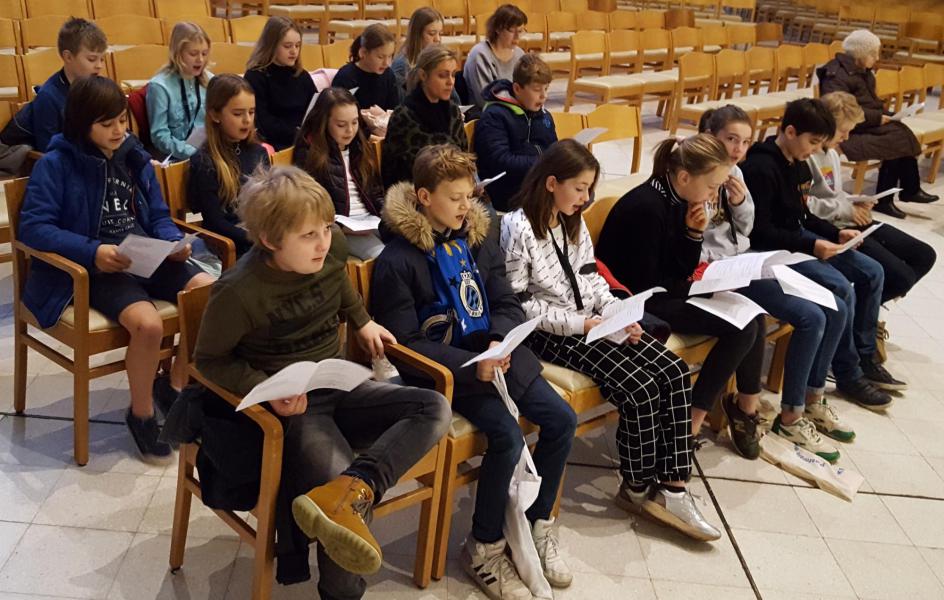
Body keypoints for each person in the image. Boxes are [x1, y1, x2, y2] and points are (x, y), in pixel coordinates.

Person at [194, 165, 451, 596]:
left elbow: (340, 286)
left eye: (327, 229)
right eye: (308, 235)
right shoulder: (238, 292)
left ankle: (356, 489)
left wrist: (362, 319)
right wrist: (266, 390)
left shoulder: (330, 254)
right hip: (298, 407)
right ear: (272, 241)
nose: (324, 243)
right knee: (340, 492)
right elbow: (207, 361)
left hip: (342, 383)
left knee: (432, 406)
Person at [371, 144, 577, 599]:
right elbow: (406, 344)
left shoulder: (478, 237)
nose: (467, 206)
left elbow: (506, 301)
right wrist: (472, 366)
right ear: (424, 197)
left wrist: (495, 342)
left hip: (498, 356)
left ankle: (536, 523)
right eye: (455, 197)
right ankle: (483, 546)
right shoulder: (397, 261)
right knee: (505, 436)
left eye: (470, 195)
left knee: (562, 419)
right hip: (448, 374)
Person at [501, 139, 720, 541]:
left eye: (589, 190)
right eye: (580, 188)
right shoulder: (518, 226)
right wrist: (582, 325)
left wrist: (618, 314)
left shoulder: (572, 219)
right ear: (551, 183)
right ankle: (636, 485)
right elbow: (520, 305)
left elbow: (592, 276)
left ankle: (673, 485)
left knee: (671, 368)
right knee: (637, 385)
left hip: (591, 320)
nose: (585, 198)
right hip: (550, 334)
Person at [18, 76, 216, 463]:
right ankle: (140, 414)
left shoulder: (133, 156)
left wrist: (173, 243)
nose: (119, 130)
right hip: (94, 267)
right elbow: (35, 228)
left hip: (142, 252)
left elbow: (158, 214)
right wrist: (93, 251)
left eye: (122, 121)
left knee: (208, 292)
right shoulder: (57, 164)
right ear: (81, 123)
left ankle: (173, 387)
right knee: (148, 325)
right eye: (107, 124)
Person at [698, 106, 854, 461]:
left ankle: (810, 399)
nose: (738, 148)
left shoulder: (736, 173)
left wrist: (739, 203)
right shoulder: (697, 172)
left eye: (745, 141)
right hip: (717, 270)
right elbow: (699, 236)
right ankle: (790, 414)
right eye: (731, 139)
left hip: (746, 260)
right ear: (712, 137)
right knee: (808, 316)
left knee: (833, 303)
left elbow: (748, 225)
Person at [596, 135, 768, 445]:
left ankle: (744, 410)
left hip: (664, 289)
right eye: (713, 186)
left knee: (754, 315)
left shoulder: (680, 198)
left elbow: (679, 268)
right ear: (685, 176)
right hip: (639, 302)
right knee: (741, 328)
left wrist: (694, 234)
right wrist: (700, 286)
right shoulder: (647, 207)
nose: (715, 194)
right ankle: (690, 423)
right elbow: (650, 285)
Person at [740, 98, 899, 411]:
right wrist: (813, 245)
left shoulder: (797, 163)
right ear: (789, 131)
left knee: (863, 277)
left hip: (794, 243)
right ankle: (837, 377)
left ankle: (831, 380)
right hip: (770, 252)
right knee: (839, 292)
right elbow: (760, 232)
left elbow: (802, 216)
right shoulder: (761, 166)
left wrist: (833, 232)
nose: (815, 150)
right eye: (812, 142)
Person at [808, 92, 936, 304]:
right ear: (825, 125)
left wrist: (854, 200)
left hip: (847, 218)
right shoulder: (807, 155)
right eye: (844, 131)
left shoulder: (830, 153)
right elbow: (806, 205)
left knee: (924, 255)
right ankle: (862, 317)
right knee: (901, 277)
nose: (847, 138)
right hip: (830, 227)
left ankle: (866, 311)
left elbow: (833, 192)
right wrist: (847, 209)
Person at [817, 29, 939, 219]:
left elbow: (870, 103)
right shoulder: (836, 75)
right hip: (847, 131)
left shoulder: (863, 72)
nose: (877, 57)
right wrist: (878, 118)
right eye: (873, 53)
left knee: (898, 132)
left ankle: (902, 192)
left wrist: (890, 115)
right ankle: (903, 192)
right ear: (860, 53)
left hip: (865, 125)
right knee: (896, 139)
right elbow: (839, 112)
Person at [294, 87, 385, 259]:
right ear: (324, 122)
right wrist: (338, 225)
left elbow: (375, 192)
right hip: (340, 229)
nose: (350, 130)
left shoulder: (359, 146)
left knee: (410, 246)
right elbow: (312, 205)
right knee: (382, 255)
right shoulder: (310, 152)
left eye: (355, 122)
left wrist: (385, 217)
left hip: (371, 221)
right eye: (341, 125)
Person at [188, 74, 270, 258]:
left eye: (251, 112)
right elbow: (215, 222)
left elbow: (270, 200)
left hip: (259, 231)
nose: (247, 120)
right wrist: (255, 237)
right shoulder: (205, 161)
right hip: (232, 242)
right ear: (215, 114)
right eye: (238, 113)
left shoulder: (258, 151)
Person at [475, 54, 556, 211]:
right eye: (537, 90)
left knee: (579, 191)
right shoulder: (495, 115)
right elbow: (501, 161)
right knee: (570, 197)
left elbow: (553, 148)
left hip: (537, 184)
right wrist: (543, 163)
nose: (544, 96)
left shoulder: (544, 115)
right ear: (517, 89)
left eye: (546, 89)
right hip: (508, 191)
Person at [381, 45, 467, 187]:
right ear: (423, 75)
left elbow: (463, 155)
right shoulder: (404, 116)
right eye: (442, 75)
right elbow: (408, 172)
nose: (450, 82)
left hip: (451, 189)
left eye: (453, 74)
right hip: (417, 195)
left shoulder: (453, 111)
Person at [29, 17, 107, 152]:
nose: (99, 66)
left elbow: (121, 134)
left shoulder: (101, 89)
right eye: (92, 59)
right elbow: (49, 151)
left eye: (102, 59)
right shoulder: (48, 98)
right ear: (68, 57)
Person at [244, 16, 315, 150]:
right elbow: (263, 122)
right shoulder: (255, 77)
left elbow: (315, 109)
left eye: (298, 45)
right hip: (274, 142)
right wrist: (299, 135)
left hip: (304, 140)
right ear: (271, 46)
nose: (294, 51)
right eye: (287, 46)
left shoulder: (302, 75)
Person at [146, 22, 212, 161]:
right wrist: (188, 152)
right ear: (177, 53)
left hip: (208, 150)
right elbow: (159, 135)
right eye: (193, 53)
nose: (200, 59)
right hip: (175, 155)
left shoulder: (211, 80)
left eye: (204, 53)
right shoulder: (160, 86)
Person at [463, 4, 527, 107]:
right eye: (511, 30)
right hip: (488, 115)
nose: (517, 36)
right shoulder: (480, 55)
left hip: (515, 110)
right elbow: (484, 100)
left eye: (520, 31)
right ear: (498, 29)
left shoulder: (520, 54)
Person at [391, 6, 458, 103]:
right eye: (432, 33)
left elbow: (455, 100)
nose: (437, 39)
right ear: (417, 35)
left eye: (440, 33)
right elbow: (403, 103)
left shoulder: (439, 60)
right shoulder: (402, 65)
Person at [331, 23, 400, 112]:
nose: (387, 63)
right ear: (363, 52)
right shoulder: (346, 78)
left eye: (390, 56)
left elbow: (393, 109)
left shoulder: (388, 75)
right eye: (380, 57)